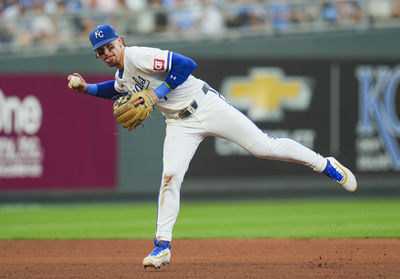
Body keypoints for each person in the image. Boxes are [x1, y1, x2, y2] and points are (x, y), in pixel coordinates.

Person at [67, 24, 357, 269]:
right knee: (170, 176)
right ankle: (162, 246)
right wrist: (86, 89)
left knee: (264, 147)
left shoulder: (139, 56)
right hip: (179, 124)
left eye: (109, 46)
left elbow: (186, 65)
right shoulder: (123, 75)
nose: (106, 53)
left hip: (206, 105)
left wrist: (156, 95)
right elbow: (114, 89)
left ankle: (325, 164)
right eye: (100, 51)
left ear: (120, 41)